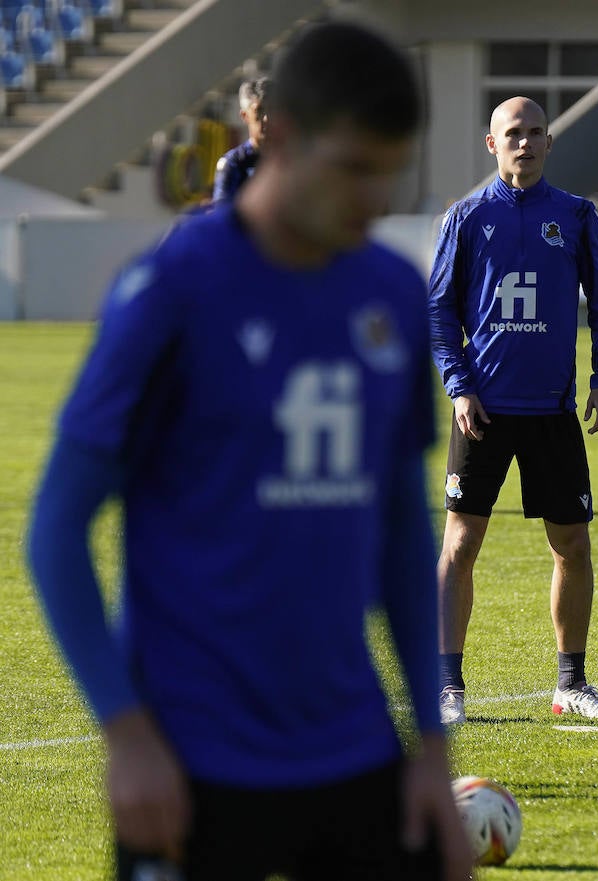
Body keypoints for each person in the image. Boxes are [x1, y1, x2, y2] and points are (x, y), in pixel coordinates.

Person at [27, 21, 473, 881]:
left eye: (392, 170)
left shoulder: (387, 293)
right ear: (283, 137)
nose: (376, 197)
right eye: (354, 168)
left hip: (353, 752)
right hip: (190, 766)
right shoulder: (172, 291)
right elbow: (56, 530)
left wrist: (429, 743)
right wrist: (125, 734)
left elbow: (400, 534)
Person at [428, 96, 598, 727]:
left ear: (548, 141)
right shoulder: (465, 217)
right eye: (514, 133)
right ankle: (447, 686)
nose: (526, 143)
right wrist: (459, 386)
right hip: (481, 411)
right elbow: (437, 314)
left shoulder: (575, 215)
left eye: (537, 132)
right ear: (492, 144)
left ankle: (572, 683)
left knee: (572, 544)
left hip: (552, 412)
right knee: (460, 543)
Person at [212, 76, 270, 203]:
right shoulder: (234, 164)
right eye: (259, 112)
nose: (266, 118)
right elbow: (222, 214)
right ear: (245, 116)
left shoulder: (294, 159)